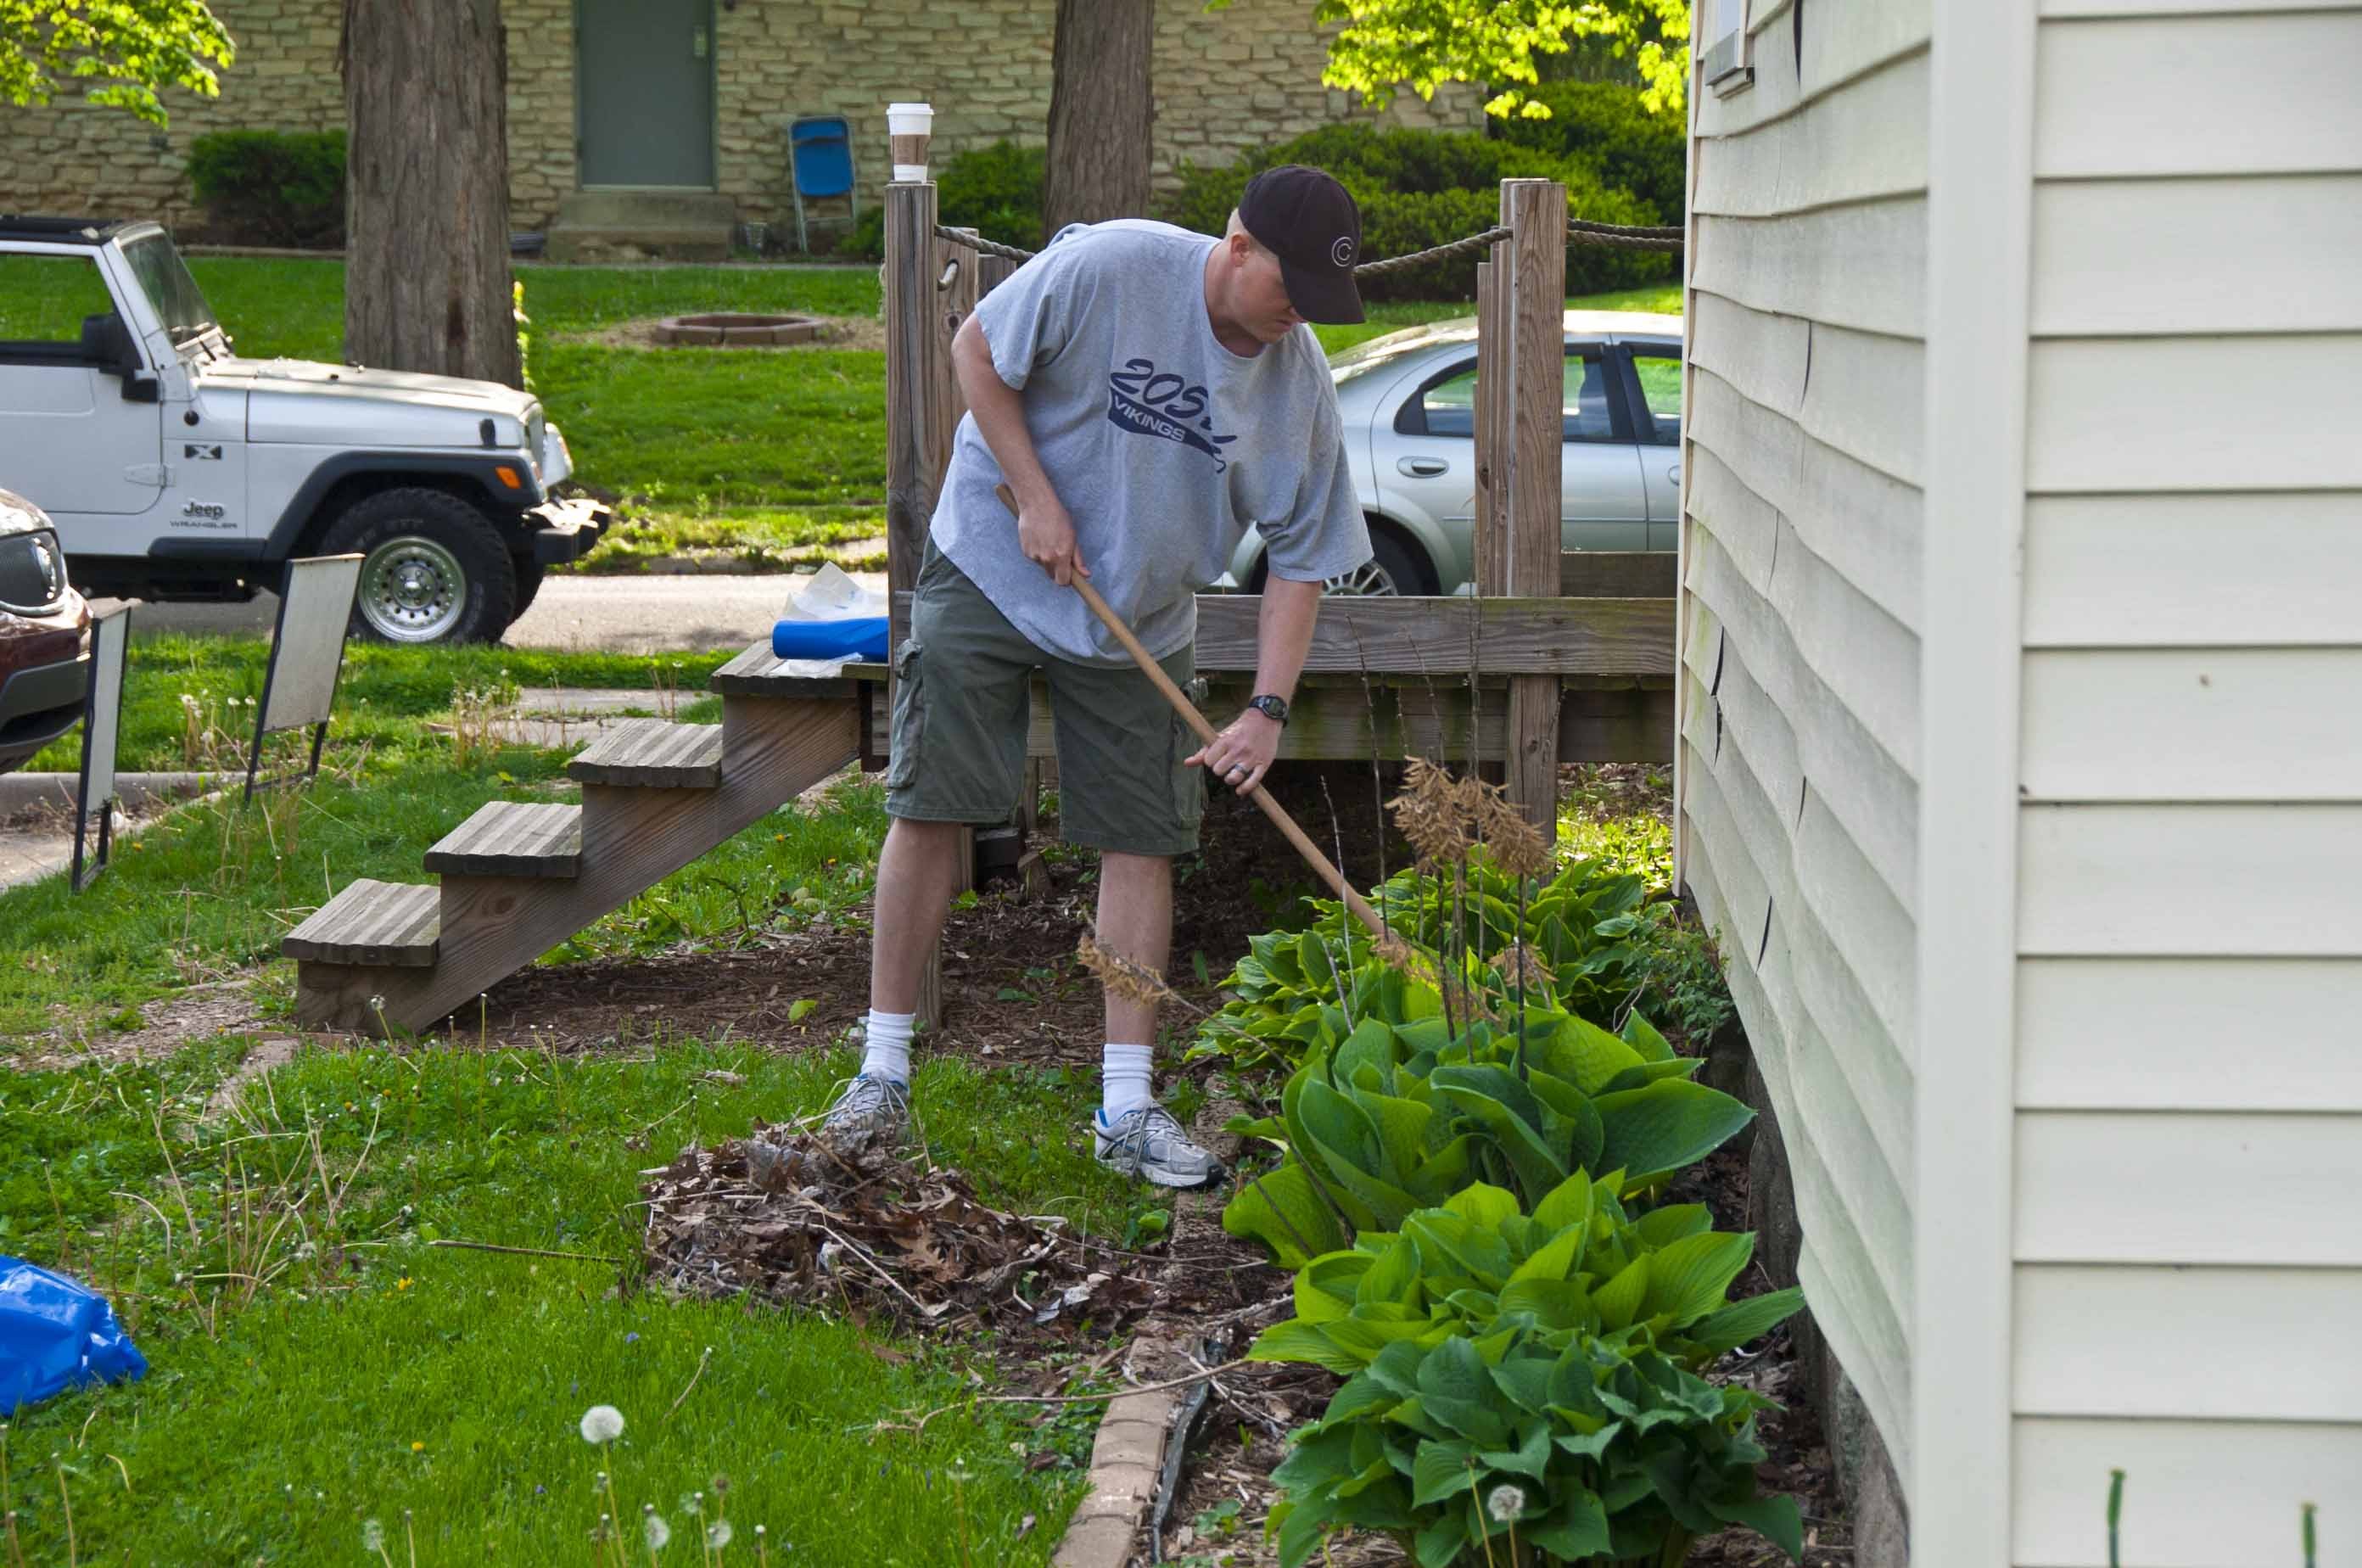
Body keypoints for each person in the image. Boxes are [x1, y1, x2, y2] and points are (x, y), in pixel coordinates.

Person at [819, 165, 1374, 1187]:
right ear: (1238, 244)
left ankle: (1125, 1107)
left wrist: (1266, 709)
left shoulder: (1298, 383)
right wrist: (1034, 495)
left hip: (1138, 616)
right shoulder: (1116, 265)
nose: (1300, 319)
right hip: (993, 559)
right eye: (1290, 289)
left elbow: (1304, 553)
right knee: (934, 803)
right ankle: (881, 1072)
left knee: (1143, 837)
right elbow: (976, 350)